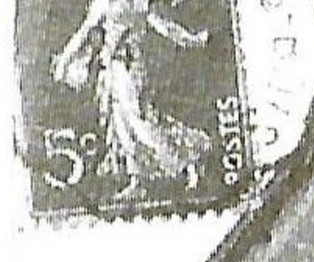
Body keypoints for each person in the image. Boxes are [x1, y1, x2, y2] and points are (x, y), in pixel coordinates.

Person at [51, 0, 214, 200]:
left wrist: (192, 40)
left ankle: (187, 163)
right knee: (123, 126)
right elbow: (84, 33)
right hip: (115, 69)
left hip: (132, 70)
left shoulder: (137, 3)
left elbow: (164, 27)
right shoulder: (106, 3)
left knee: (141, 124)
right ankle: (138, 181)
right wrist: (65, 62)